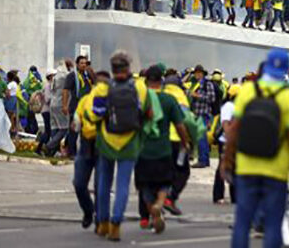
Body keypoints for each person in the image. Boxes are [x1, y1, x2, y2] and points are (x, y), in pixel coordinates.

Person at [222, 48, 289, 248]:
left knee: (242, 222)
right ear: (286, 70)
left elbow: (234, 130)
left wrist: (226, 159)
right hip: (276, 169)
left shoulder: (248, 91)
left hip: (246, 166)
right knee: (273, 224)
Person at [87, 51, 151, 241]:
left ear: (112, 69)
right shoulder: (140, 87)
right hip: (130, 142)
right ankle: (116, 225)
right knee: (123, 184)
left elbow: (94, 115)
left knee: (104, 183)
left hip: (106, 141)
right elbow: (148, 114)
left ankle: (103, 222)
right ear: (128, 68)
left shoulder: (102, 89)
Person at [136, 66, 191, 234]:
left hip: (143, 151)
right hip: (163, 150)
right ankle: (159, 205)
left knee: (145, 186)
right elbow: (180, 125)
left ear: (146, 81)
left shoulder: (140, 100)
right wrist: (185, 142)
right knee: (164, 183)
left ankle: (151, 210)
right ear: (161, 82)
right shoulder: (169, 100)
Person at [71, 77, 99, 230]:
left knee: (100, 185)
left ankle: (101, 218)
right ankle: (88, 211)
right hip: (86, 145)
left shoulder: (111, 101)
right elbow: (75, 123)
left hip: (104, 146)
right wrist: (76, 123)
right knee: (79, 183)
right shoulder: (85, 101)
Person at [212, 83, 238, 204]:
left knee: (235, 169)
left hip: (235, 141)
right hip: (226, 141)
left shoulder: (237, 106)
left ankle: (235, 196)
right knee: (222, 168)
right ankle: (218, 195)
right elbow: (225, 124)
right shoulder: (228, 106)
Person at [63, 55, 92, 158]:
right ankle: (72, 153)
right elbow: (66, 90)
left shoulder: (87, 76)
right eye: (82, 63)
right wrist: (64, 105)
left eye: (85, 63)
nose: (84, 65)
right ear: (77, 64)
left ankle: (69, 148)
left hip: (86, 108)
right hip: (75, 107)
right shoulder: (72, 76)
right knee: (73, 131)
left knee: (84, 131)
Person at [188, 65, 215, 168]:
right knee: (201, 137)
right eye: (196, 73)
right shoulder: (195, 84)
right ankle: (205, 160)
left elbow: (212, 98)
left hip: (203, 114)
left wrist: (198, 96)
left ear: (203, 74)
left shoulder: (207, 84)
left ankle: (202, 160)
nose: (197, 74)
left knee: (201, 138)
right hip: (197, 114)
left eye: (199, 73)